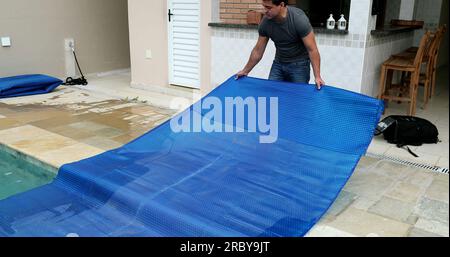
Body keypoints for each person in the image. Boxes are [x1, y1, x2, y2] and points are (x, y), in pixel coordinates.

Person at [235, 0, 325, 90]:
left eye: (269, 8)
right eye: (264, 7)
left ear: (281, 5)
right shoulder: (266, 23)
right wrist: (245, 71)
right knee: (272, 95)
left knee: (298, 97)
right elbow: (258, 50)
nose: (265, 11)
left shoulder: (298, 19)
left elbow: (312, 49)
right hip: (279, 63)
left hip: (300, 65)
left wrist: (317, 76)